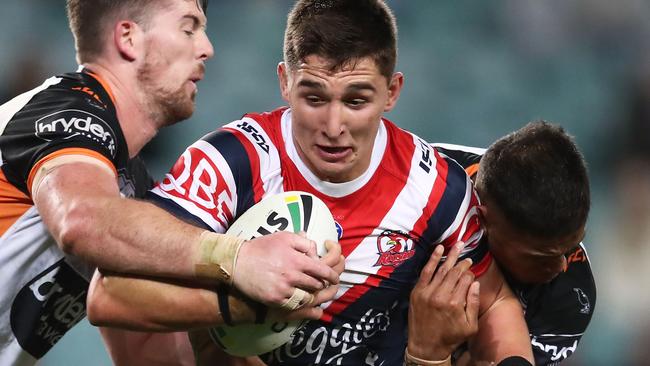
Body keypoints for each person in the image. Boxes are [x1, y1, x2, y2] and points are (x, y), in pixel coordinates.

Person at [88, 1, 536, 365]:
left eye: (357, 100)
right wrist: (238, 300)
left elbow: (494, 302)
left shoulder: (437, 188)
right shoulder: (230, 162)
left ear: (392, 91)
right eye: (314, 97)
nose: (334, 125)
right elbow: (110, 294)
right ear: (285, 82)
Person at [0, 1, 342, 365]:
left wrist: (254, 305)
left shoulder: (127, 189)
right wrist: (238, 258)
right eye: (188, 28)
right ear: (129, 39)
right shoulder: (62, 115)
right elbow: (82, 220)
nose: (206, 47)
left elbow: (152, 352)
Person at [412, 121, 596, 365]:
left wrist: (430, 356)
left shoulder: (570, 295)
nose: (562, 265)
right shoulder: (414, 183)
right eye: (541, 256)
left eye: (572, 245)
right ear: (483, 220)